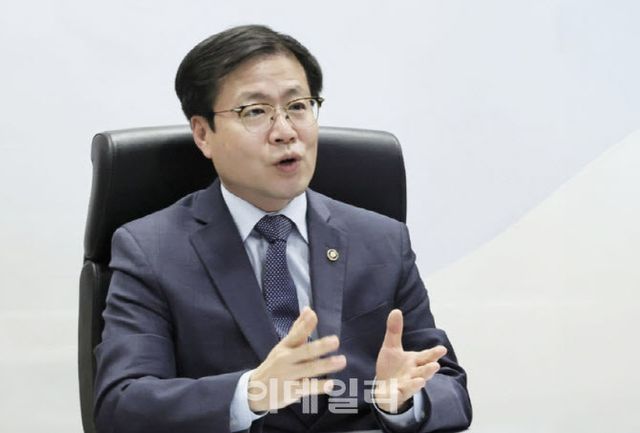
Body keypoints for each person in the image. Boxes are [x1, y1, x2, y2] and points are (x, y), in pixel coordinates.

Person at [94, 24, 472, 433]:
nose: (286, 131)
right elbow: (122, 404)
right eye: (255, 111)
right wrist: (251, 392)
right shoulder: (151, 249)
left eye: (298, 106)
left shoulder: (381, 239)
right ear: (203, 134)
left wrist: (401, 402)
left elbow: (448, 387)